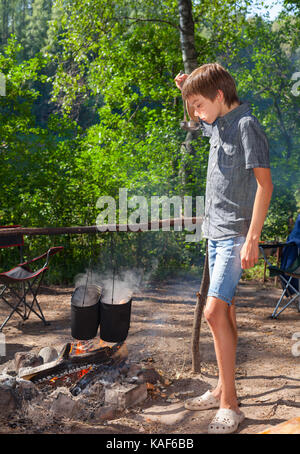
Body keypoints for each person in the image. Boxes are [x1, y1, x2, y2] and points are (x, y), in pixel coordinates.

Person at [175, 63, 273, 434]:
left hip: (235, 235)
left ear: (219, 96)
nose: (197, 114)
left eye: (200, 104)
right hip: (214, 234)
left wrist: (252, 238)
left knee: (213, 313)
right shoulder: (216, 125)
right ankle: (221, 387)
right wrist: (188, 90)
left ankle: (230, 405)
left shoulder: (248, 127)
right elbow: (198, 116)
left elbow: (265, 186)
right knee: (226, 314)